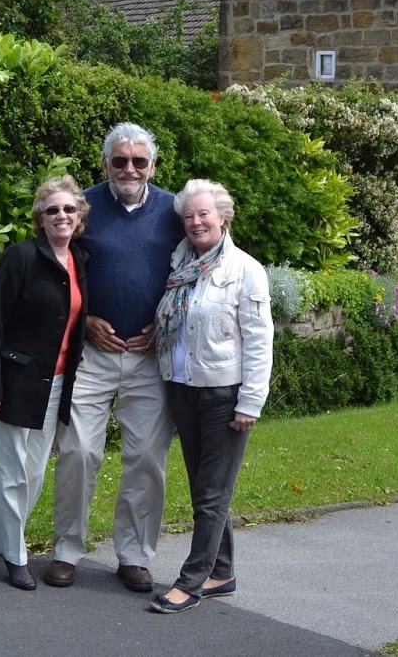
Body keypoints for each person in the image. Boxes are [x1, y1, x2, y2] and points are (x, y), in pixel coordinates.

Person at [44, 123, 184, 592]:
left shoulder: (173, 212)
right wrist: (83, 322)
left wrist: (162, 327)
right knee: (79, 451)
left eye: (138, 161)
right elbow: (55, 273)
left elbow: (196, 270)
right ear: (105, 163)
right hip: (92, 354)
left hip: (150, 355)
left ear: (152, 166)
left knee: (146, 456)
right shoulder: (81, 207)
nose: (129, 168)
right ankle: (66, 550)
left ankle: (134, 556)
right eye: (119, 160)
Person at [0, 175, 89, 590]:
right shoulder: (20, 258)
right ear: (40, 218)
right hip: (13, 384)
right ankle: (15, 557)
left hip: (55, 384)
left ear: (80, 215)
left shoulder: (80, 260)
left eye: (68, 209)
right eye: (52, 210)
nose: (61, 216)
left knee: (32, 477)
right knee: (8, 475)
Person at [148, 179, 273, 614]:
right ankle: (222, 572)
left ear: (223, 217)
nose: (196, 222)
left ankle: (192, 580)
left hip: (224, 394)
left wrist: (250, 402)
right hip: (183, 388)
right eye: (189, 216)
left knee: (211, 494)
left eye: (204, 214)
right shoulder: (179, 264)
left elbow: (260, 341)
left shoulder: (244, 270)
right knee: (206, 487)